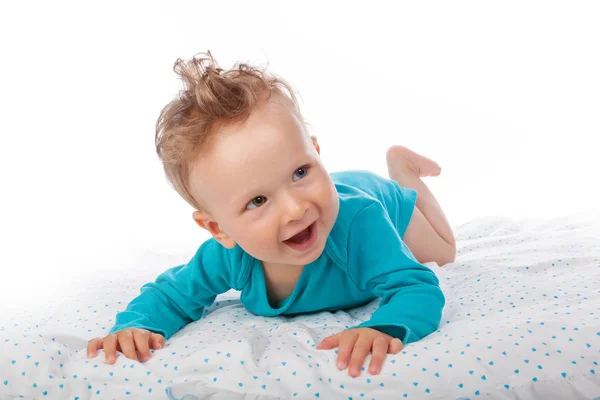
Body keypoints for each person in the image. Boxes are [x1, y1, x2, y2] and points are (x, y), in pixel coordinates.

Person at [86, 50, 456, 378]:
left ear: (316, 153)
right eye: (258, 201)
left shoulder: (361, 222)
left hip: (378, 196)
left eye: (301, 172)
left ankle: (404, 173)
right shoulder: (230, 255)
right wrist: (136, 326)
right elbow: (172, 295)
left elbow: (417, 286)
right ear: (218, 228)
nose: (297, 208)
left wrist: (385, 328)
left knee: (443, 254)